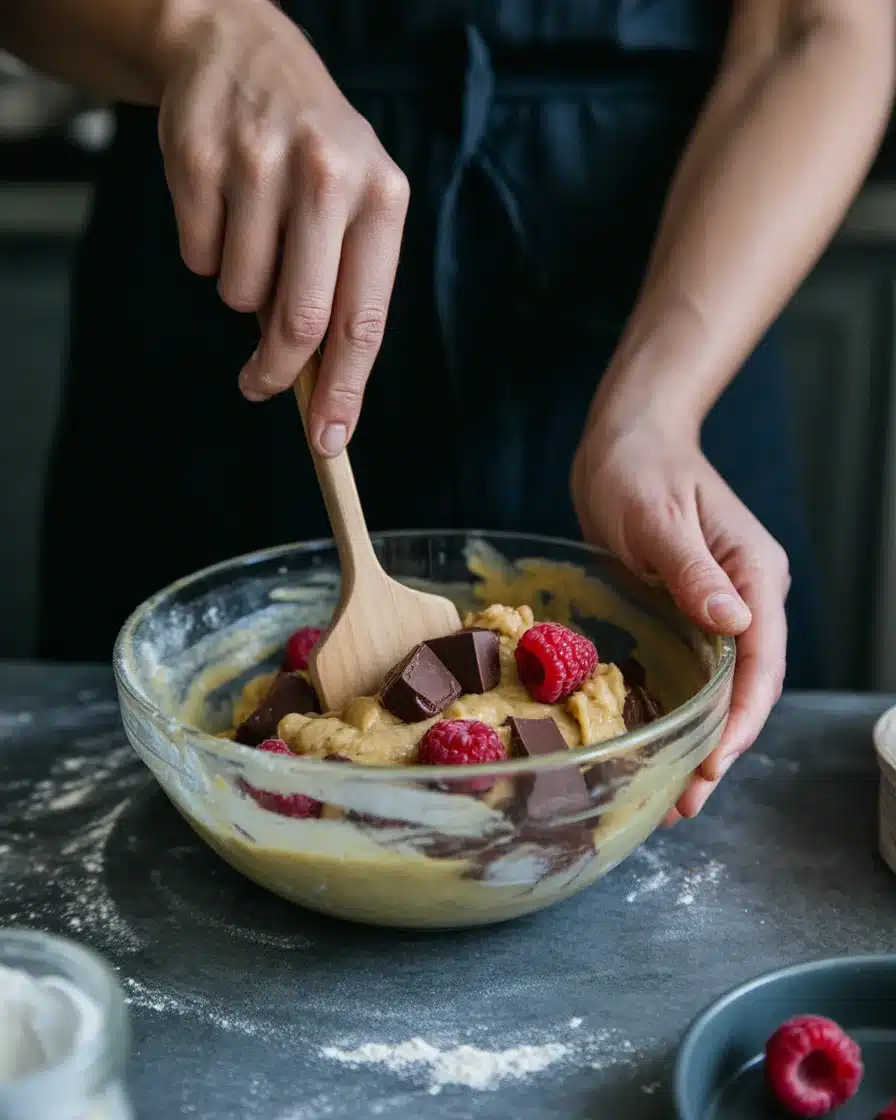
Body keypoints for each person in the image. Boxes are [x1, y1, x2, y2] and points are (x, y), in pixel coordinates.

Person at [1, 1, 892, 822]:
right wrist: (193, 24)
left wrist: (657, 410)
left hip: (677, 268)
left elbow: (814, 30)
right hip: (231, 240)